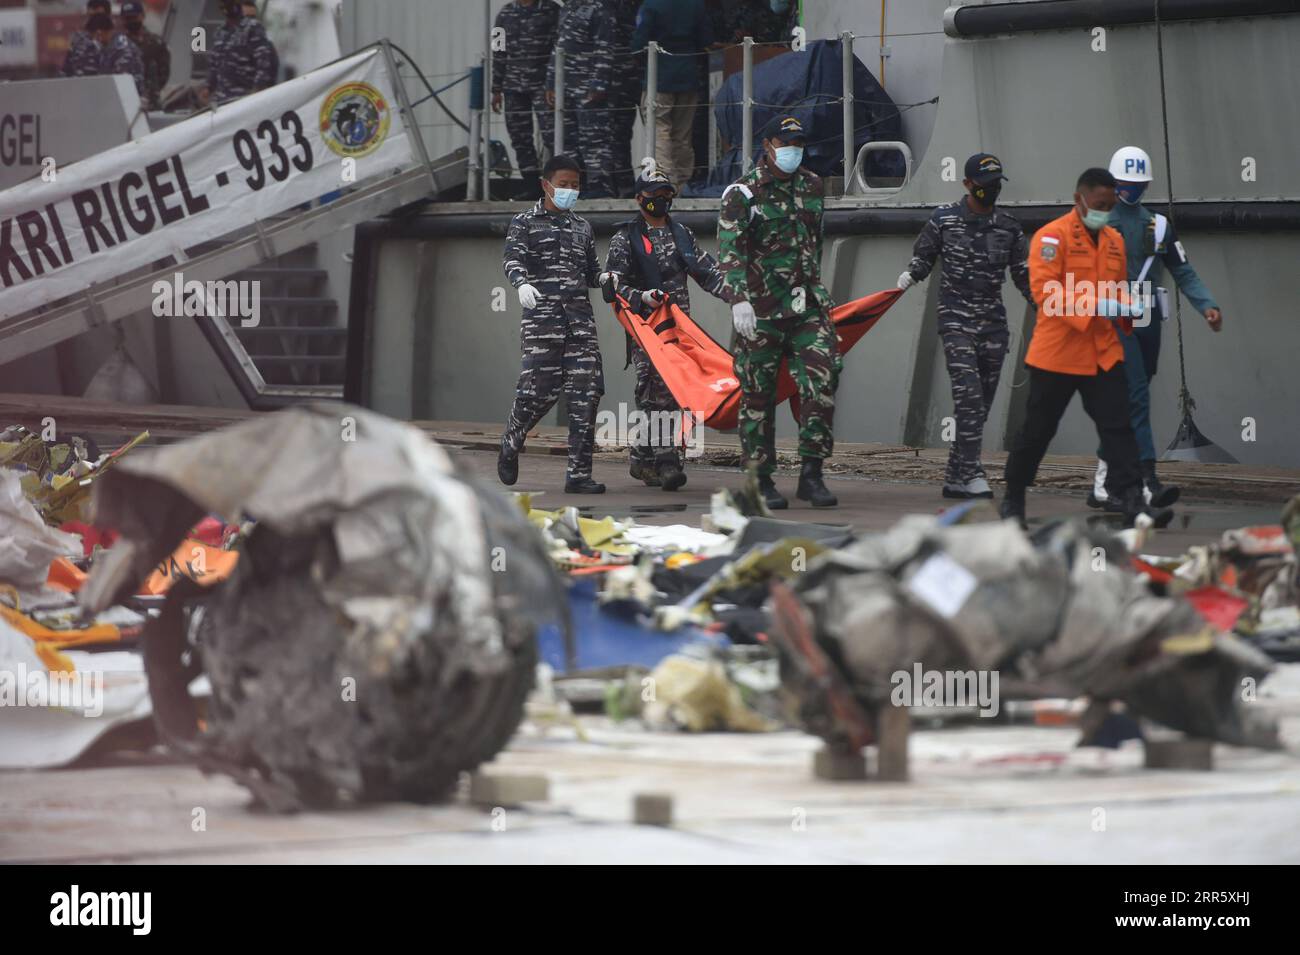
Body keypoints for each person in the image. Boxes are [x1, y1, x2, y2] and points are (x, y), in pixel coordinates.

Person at [1000, 167, 1173, 529]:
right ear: (1079, 199)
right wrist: (1097, 303)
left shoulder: (1113, 241)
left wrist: (1131, 308)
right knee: (1038, 430)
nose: (1105, 211)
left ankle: (1131, 501)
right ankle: (1014, 497)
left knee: (1119, 427)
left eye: (1109, 205)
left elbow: (1116, 287)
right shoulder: (1052, 239)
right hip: (1058, 354)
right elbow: (1046, 294)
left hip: (1101, 351)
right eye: (1099, 204)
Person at [1087, 145, 1224, 510]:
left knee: (1129, 399)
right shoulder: (1098, 222)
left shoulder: (1158, 226)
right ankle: (1146, 481)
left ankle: (1103, 479)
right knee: (1135, 397)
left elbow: (1183, 270)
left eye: (1138, 182)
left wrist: (1206, 305)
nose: (1132, 189)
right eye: (1125, 182)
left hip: (1148, 323)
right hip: (1115, 320)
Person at [718, 115, 839, 509]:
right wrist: (738, 299)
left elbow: (813, 243)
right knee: (758, 396)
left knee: (821, 384)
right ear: (768, 144)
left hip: (808, 308)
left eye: (799, 143)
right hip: (760, 311)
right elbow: (730, 251)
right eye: (786, 143)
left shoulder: (812, 185)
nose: (794, 150)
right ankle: (760, 478)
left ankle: (812, 473)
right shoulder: (742, 193)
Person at [898, 153, 1034, 499]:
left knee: (981, 404)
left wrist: (1049, 307)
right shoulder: (944, 220)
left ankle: (955, 475)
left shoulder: (1008, 226)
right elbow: (924, 256)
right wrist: (909, 276)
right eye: (985, 185)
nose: (991, 191)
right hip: (956, 319)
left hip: (993, 325)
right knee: (969, 397)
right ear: (968, 185)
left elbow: (1024, 277)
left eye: (996, 185)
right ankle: (972, 472)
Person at [604, 164, 736, 490]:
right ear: (639, 199)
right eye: (654, 195)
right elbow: (613, 283)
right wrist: (641, 296)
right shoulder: (626, 239)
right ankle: (666, 462)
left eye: (666, 195)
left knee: (677, 391)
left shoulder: (681, 234)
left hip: (678, 329)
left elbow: (707, 271)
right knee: (655, 392)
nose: (661, 200)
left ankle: (644, 456)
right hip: (647, 331)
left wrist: (741, 298)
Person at [499, 155, 607, 495]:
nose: (570, 190)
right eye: (563, 184)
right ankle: (512, 439)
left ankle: (578, 474)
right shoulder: (524, 222)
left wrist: (605, 278)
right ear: (546, 184)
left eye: (575, 185)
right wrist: (520, 283)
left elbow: (592, 272)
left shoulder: (582, 227)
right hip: (542, 323)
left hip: (580, 325)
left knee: (586, 396)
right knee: (536, 394)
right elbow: (513, 258)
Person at [632, 0, 714, 187]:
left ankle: (665, 179)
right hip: (688, 74)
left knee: (658, 130)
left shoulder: (651, 6)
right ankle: (683, 181)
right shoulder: (696, 5)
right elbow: (706, 40)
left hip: (658, 76)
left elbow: (639, 42)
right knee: (683, 134)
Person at [492, 0, 562, 201]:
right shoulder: (504, 14)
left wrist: (553, 82)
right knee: (520, 137)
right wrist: (496, 88)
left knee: (553, 135)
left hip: (543, 84)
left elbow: (559, 47)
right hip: (513, 86)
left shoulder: (552, 10)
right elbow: (498, 51)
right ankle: (531, 184)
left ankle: (560, 184)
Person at [545, 1, 612, 197]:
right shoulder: (567, 8)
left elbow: (605, 47)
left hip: (588, 86)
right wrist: (550, 82)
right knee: (568, 141)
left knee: (593, 140)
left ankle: (600, 188)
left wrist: (599, 83)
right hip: (564, 86)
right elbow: (558, 46)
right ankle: (575, 188)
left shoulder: (599, 8)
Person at [63, 11, 145, 100]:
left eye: (92, 36)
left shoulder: (123, 50)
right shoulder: (108, 48)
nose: (92, 40)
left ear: (99, 33)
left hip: (127, 100)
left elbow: (120, 83)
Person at [209, 0, 278, 104]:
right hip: (221, 99)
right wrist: (208, 87)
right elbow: (214, 64)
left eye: (252, 17)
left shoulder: (254, 29)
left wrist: (257, 91)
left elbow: (265, 65)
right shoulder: (221, 32)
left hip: (244, 99)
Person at [119, 1, 169, 111]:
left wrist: (151, 90)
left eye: (134, 17)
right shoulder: (118, 45)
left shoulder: (156, 43)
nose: (131, 21)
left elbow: (164, 72)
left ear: (142, 16)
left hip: (151, 102)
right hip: (125, 102)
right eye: (127, 19)